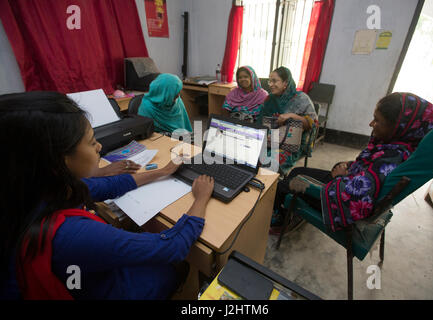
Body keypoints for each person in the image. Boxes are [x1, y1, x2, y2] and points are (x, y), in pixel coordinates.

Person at [0, 91, 214, 300]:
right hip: (108, 287)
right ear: (61, 160)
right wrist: (201, 197)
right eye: (92, 142)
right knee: (173, 267)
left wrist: (162, 172)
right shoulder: (72, 235)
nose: (100, 146)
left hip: (80, 278)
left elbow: (106, 185)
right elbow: (172, 248)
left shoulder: (34, 191)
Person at [270, 92, 433, 233]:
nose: (371, 124)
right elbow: (368, 170)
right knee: (295, 172)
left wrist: (338, 178)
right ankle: (290, 211)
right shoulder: (399, 147)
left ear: (399, 126)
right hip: (347, 179)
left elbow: (353, 199)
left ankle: (281, 219)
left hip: (336, 199)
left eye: (377, 120)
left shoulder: (391, 159)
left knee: (282, 185)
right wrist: (350, 166)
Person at [257, 66, 318, 174]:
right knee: (251, 156)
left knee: (270, 162)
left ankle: (270, 185)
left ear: (285, 83)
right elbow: (261, 122)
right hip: (270, 139)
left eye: (274, 81)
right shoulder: (269, 99)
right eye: (269, 81)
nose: (270, 84)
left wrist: (292, 116)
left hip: (291, 144)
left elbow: (312, 124)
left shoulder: (301, 99)